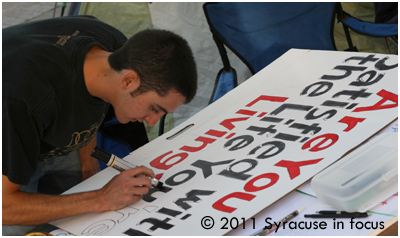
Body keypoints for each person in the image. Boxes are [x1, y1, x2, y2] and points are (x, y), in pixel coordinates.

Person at [2, 15, 197, 235]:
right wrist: (100, 198)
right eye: (154, 108)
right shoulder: (22, 98)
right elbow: (4, 206)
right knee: (19, 228)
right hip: (10, 135)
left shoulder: (115, 49)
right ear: (129, 81)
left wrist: (89, 166)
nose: (152, 122)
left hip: (42, 130)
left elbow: (86, 101)